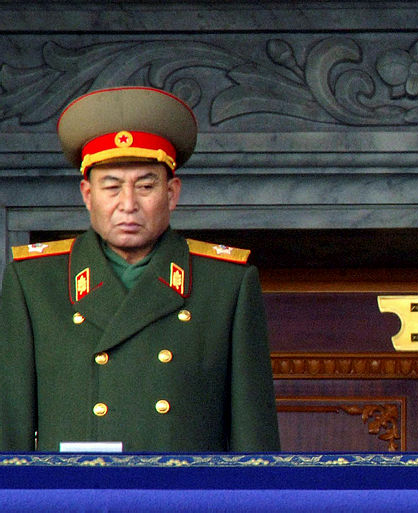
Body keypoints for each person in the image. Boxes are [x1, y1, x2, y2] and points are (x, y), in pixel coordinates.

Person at [0, 86, 280, 452]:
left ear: (172, 193)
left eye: (145, 186)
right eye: (111, 187)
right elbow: (9, 432)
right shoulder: (35, 281)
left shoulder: (226, 283)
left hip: (183, 488)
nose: (128, 204)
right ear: (87, 195)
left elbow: (254, 442)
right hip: (77, 489)